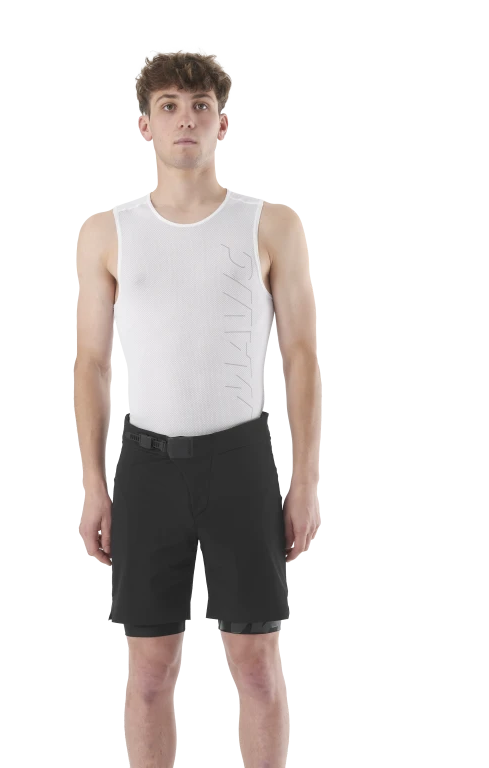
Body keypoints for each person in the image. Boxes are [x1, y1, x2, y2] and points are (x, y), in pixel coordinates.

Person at [74, 49, 321, 768]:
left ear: (224, 123)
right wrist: (94, 482)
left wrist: (305, 481)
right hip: (147, 467)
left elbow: (302, 354)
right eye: (170, 106)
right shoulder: (108, 231)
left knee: (257, 668)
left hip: (241, 465)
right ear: (145, 126)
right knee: (149, 675)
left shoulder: (270, 224)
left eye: (201, 107)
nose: (186, 120)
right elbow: (91, 363)